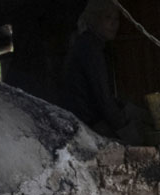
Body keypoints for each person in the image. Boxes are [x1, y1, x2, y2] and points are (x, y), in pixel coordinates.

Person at [61, 0, 145, 145]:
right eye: (107, 17)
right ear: (94, 19)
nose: (114, 24)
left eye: (116, 19)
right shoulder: (90, 48)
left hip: (85, 118)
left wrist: (126, 108)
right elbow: (103, 99)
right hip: (85, 123)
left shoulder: (89, 44)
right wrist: (128, 133)